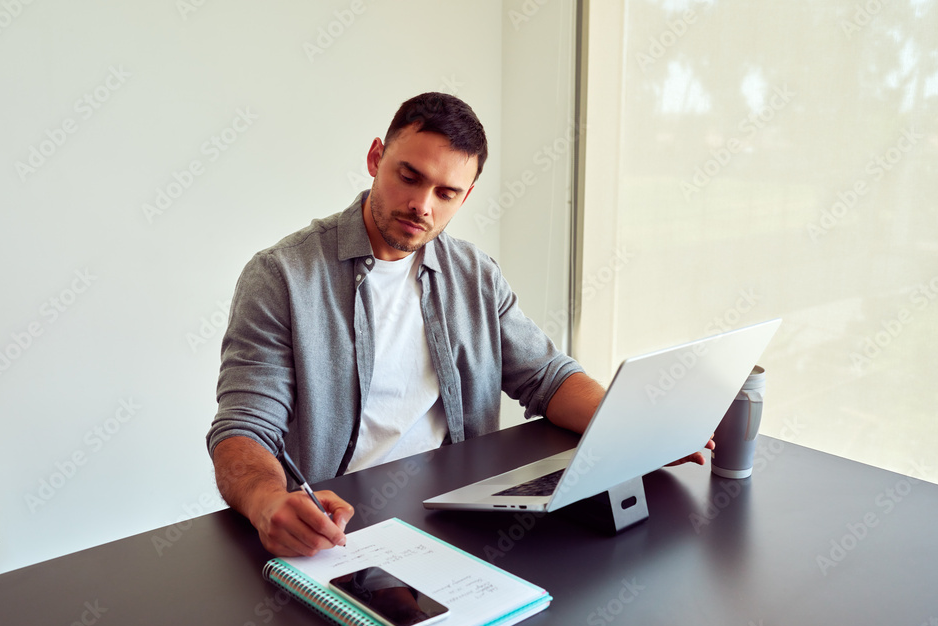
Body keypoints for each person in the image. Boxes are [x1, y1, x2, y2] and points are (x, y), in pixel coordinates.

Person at [206, 92, 711, 559]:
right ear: (376, 158)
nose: (422, 205)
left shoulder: (475, 274)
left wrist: (638, 427)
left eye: (446, 192)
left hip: (456, 518)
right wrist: (268, 501)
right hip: (339, 526)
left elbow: (546, 377)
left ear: (465, 197)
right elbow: (244, 427)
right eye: (409, 176)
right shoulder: (281, 276)